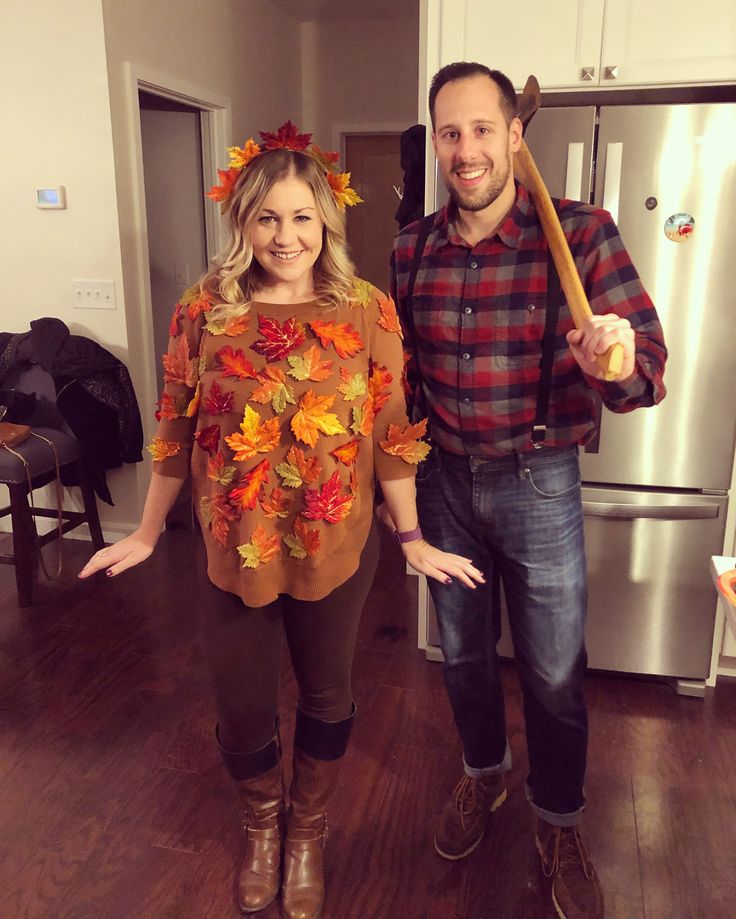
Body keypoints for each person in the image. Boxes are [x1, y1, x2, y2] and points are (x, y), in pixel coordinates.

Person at [79, 123, 484, 919]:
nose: (285, 235)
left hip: (337, 544)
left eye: (302, 217)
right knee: (240, 703)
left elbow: (391, 431)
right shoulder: (206, 308)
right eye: (267, 218)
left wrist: (412, 538)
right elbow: (173, 422)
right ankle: (263, 826)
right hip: (234, 545)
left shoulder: (366, 309)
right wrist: (147, 530)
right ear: (242, 223)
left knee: (329, 694)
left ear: (327, 221)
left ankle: (307, 833)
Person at [390, 64, 667, 919]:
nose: (465, 150)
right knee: (463, 657)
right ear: (435, 142)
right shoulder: (411, 249)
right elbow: (398, 385)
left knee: (551, 671)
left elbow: (646, 371)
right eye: (449, 133)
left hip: (539, 483)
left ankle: (559, 815)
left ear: (515, 134)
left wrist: (611, 361)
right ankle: (485, 777)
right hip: (441, 484)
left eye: (481, 130)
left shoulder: (582, 235)